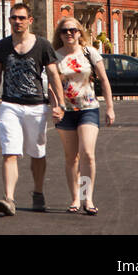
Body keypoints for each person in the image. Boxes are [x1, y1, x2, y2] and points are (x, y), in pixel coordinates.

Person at [0, 3, 66, 216]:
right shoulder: (1, 47)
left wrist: (60, 105)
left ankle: (38, 192)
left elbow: (54, 75)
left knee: (37, 153)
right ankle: (9, 198)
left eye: (21, 18)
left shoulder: (43, 46)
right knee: (9, 152)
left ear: (30, 20)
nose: (17, 22)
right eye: (13, 18)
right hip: (9, 105)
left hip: (37, 106)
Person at [52, 17, 114, 215]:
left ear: (79, 32)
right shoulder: (54, 56)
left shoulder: (90, 52)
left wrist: (110, 108)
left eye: (73, 30)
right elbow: (51, 86)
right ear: (59, 34)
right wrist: (55, 106)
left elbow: (104, 80)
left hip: (88, 108)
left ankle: (88, 198)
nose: (69, 33)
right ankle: (75, 198)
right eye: (64, 31)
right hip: (66, 111)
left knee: (87, 153)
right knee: (72, 157)